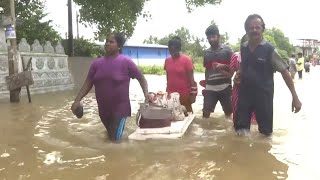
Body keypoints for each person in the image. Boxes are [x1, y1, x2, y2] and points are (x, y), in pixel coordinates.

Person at [71, 32, 149, 142]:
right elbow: (88, 83)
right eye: (106, 41)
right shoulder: (96, 64)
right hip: (103, 110)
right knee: (110, 136)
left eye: (111, 42)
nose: (107, 43)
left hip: (120, 109)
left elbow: (141, 78)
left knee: (114, 141)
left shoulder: (126, 62)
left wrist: (146, 95)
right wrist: (77, 101)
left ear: (119, 46)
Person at [235, 14, 302, 136]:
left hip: (263, 97)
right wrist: (239, 74)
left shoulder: (269, 50)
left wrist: (295, 97)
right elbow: (243, 65)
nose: (254, 30)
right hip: (245, 94)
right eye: (251, 27)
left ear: (262, 29)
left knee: (265, 134)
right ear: (247, 30)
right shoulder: (243, 47)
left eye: (257, 27)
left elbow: (285, 73)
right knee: (240, 131)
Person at [213, 34, 256, 125]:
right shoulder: (236, 56)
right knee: (237, 116)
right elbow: (230, 75)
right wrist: (220, 70)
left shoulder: (259, 56)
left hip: (253, 90)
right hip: (238, 90)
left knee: (253, 119)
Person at [202, 25, 234, 119]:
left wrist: (223, 66)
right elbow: (207, 70)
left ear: (218, 36)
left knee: (228, 113)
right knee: (205, 114)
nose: (211, 39)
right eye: (209, 37)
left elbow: (235, 67)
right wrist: (206, 85)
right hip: (210, 88)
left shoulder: (227, 50)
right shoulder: (206, 53)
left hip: (225, 87)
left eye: (213, 37)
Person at [164, 36, 197, 113]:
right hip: (171, 96)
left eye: (174, 50)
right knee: (172, 117)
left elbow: (192, 80)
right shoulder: (167, 60)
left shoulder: (187, 60)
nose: (172, 52)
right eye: (170, 50)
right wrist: (166, 92)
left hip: (185, 96)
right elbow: (168, 77)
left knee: (188, 117)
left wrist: (193, 94)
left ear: (179, 49)